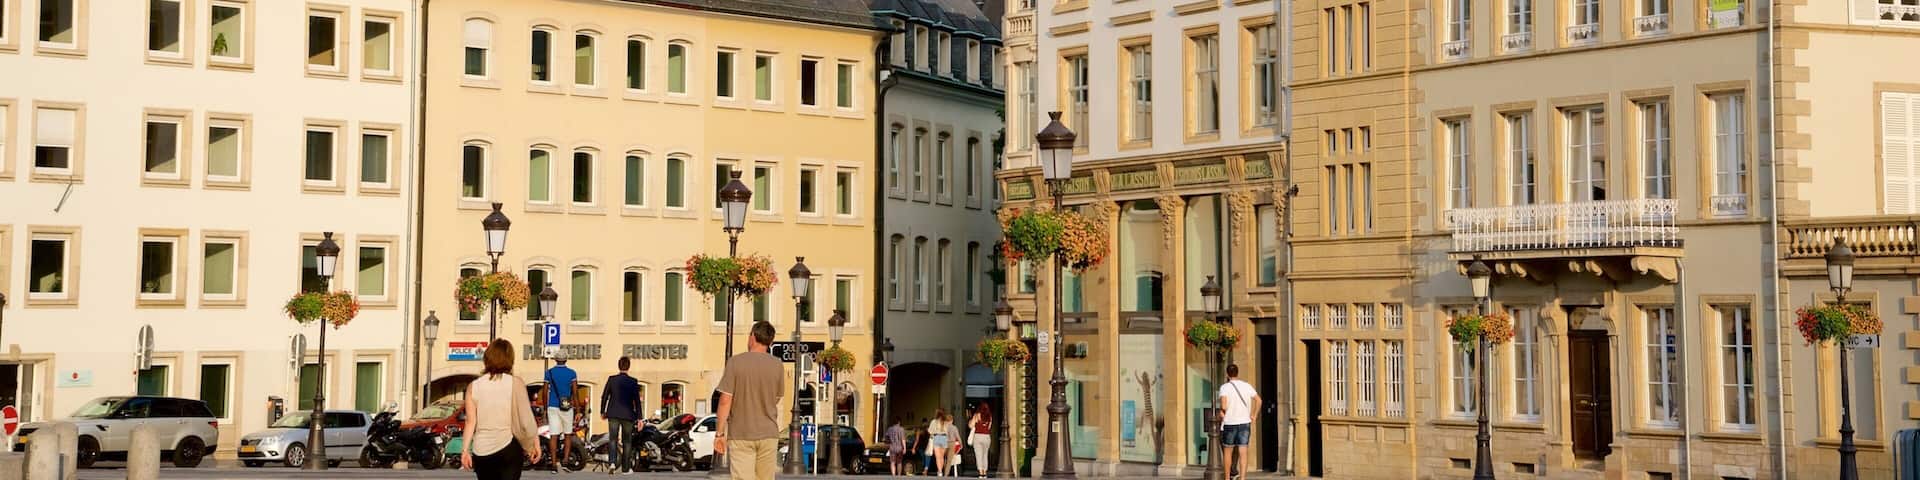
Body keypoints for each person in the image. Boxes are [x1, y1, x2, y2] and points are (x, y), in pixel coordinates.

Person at [460, 339, 541, 480]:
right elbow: (526, 419)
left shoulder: (474, 386)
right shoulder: (516, 383)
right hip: (508, 448)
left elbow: (470, 422)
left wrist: (465, 450)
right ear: (510, 359)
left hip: (482, 451)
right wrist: (533, 444)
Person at [716, 321, 785, 480]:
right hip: (768, 433)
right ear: (770, 342)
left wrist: (719, 433)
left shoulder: (735, 362)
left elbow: (725, 400)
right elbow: (776, 397)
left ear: (752, 336)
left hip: (741, 433)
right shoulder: (777, 365)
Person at [1217, 364, 1261, 480]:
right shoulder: (1247, 386)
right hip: (1244, 423)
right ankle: (1242, 478)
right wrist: (1254, 415)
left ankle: (1227, 478)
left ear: (1227, 374)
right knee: (1243, 452)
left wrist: (1221, 412)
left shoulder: (1224, 387)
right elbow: (1259, 400)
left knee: (1228, 452)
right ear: (1237, 373)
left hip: (1230, 423)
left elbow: (1224, 406)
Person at [600, 356, 642, 474]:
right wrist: (640, 418)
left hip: (613, 413)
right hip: (628, 415)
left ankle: (612, 463)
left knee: (613, 439)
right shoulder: (633, 381)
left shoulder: (612, 379)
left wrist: (602, 411)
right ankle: (625, 468)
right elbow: (637, 401)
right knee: (627, 441)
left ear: (618, 366)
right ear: (629, 367)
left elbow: (604, 396)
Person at [543, 357, 579, 472]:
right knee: (568, 434)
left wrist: (545, 408)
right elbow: (575, 392)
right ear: (566, 360)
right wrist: (578, 410)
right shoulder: (572, 373)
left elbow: (544, 391)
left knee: (553, 435)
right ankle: (565, 461)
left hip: (552, 406)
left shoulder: (549, 373)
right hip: (567, 406)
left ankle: (554, 465)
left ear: (556, 360)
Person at [967, 403, 993, 478]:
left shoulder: (977, 415)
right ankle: (985, 472)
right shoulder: (990, 416)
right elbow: (989, 427)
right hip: (987, 437)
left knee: (979, 455)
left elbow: (971, 425)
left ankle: (981, 472)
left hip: (978, 436)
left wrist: (971, 421)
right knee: (985, 455)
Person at [927, 409, 951, 477]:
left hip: (936, 438)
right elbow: (948, 431)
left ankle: (940, 472)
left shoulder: (934, 421)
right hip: (944, 438)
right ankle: (940, 471)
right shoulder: (946, 422)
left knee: (938, 457)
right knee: (942, 457)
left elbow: (930, 431)